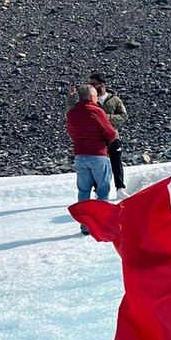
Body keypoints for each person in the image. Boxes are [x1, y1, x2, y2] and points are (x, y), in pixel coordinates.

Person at [67, 73, 129, 199]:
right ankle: (98, 197)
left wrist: (106, 118)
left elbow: (123, 116)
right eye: (90, 84)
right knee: (99, 173)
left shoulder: (114, 100)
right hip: (99, 144)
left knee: (116, 162)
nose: (92, 86)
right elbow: (72, 111)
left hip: (109, 139)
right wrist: (71, 97)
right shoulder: (86, 104)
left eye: (94, 84)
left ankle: (120, 188)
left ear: (102, 84)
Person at [66, 84, 118, 233]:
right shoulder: (97, 111)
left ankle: (85, 226)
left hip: (80, 155)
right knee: (102, 190)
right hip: (98, 155)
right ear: (91, 97)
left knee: (83, 191)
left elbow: (71, 132)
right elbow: (110, 133)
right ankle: (102, 225)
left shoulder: (73, 113)